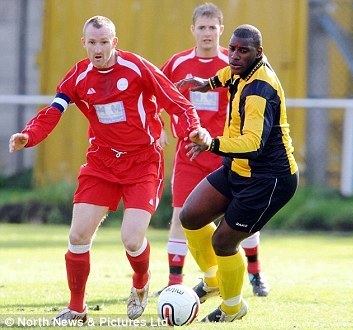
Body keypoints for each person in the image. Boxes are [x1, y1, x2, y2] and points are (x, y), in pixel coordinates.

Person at [8, 15, 207, 323]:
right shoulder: (78, 76)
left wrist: (192, 129)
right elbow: (53, 111)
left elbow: (177, 101)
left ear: (114, 42)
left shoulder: (136, 67)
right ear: (84, 44)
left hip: (142, 161)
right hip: (102, 162)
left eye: (103, 42)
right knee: (77, 235)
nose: (98, 49)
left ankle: (140, 282)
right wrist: (29, 135)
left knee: (131, 239)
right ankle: (77, 309)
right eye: (92, 43)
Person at [176, 24, 299, 322]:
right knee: (190, 216)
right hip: (239, 169)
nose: (234, 56)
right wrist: (205, 83)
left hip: (269, 180)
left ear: (259, 53)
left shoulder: (260, 89)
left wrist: (211, 143)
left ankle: (233, 308)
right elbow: (225, 75)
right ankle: (214, 281)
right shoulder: (238, 68)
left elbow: (253, 144)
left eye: (243, 51)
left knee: (223, 242)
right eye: (231, 48)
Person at [159, 2, 269, 297]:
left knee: (238, 219)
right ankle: (174, 284)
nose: (207, 33)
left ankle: (256, 273)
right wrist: (158, 129)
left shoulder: (233, 64)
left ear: (221, 30)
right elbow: (156, 96)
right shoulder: (177, 63)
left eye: (212, 28)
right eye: (201, 27)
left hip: (227, 154)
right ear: (192, 29)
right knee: (181, 215)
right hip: (189, 154)